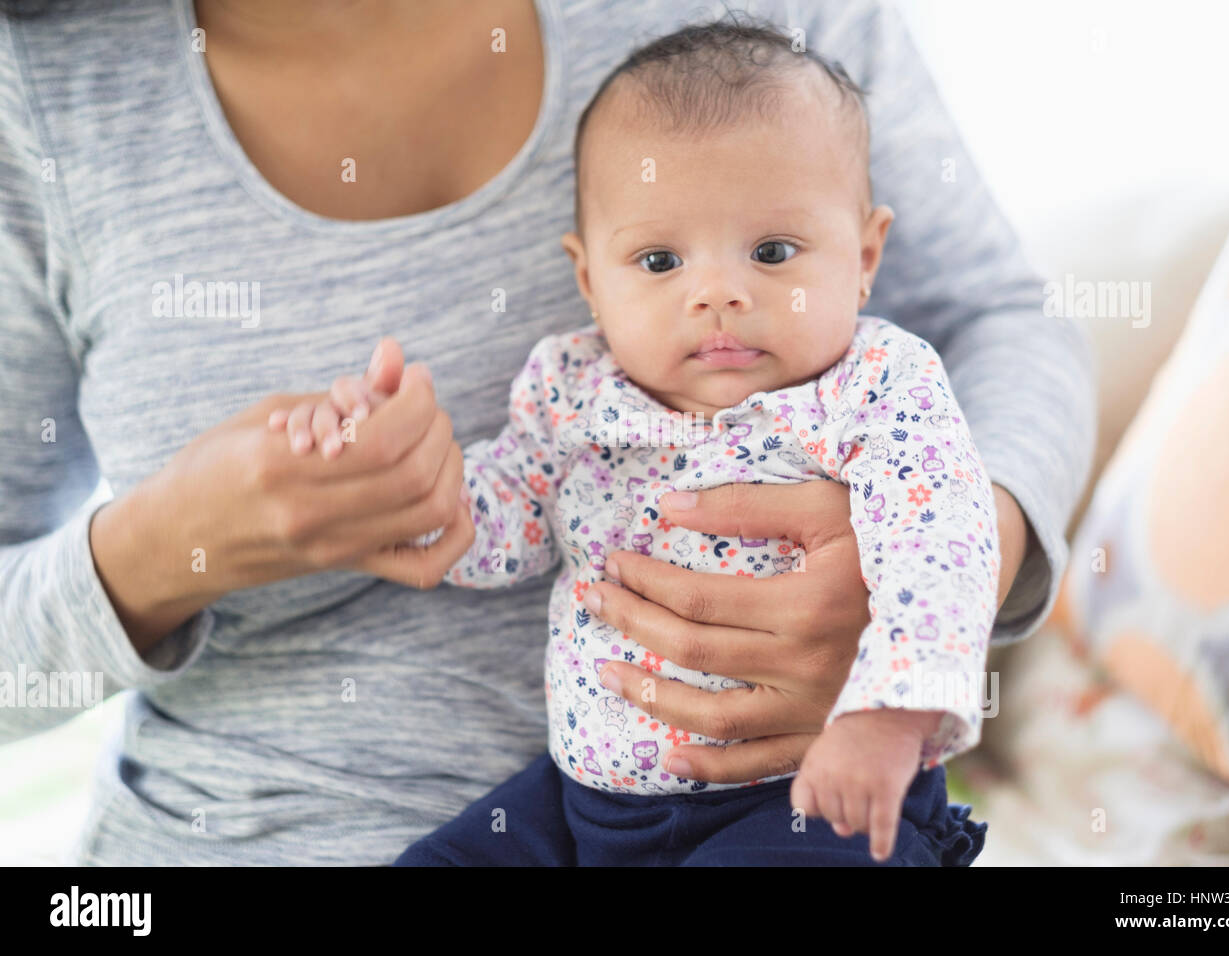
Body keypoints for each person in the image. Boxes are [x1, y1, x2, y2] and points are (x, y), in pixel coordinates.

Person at [0, 0, 1094, 865]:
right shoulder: (576, 388)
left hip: (797, 790)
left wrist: (895, 665)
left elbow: (993, 346)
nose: (716, 297)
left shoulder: (878, 383)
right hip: (563, 798)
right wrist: (174, 545)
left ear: (864, 255)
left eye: (771, 253)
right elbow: (511, 510)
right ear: (588, 275)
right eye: (660, 262)